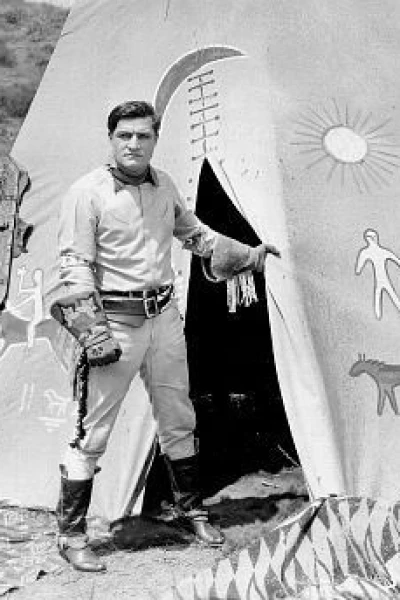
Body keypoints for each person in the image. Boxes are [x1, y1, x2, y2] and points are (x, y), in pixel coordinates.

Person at [50, 100, 280, 572]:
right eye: (125, 135)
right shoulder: (86, 193)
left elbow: (195, 235)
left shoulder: (165, 185)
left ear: (155, 139)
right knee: (91, 430)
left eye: (143, 135)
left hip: (164, 319)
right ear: (111, 139)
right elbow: (74, 263)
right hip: (113, 323)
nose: (134, 144)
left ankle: (190, 510)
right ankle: (71, 535)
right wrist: (92, 331)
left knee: (178, 417)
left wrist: (247, 254)